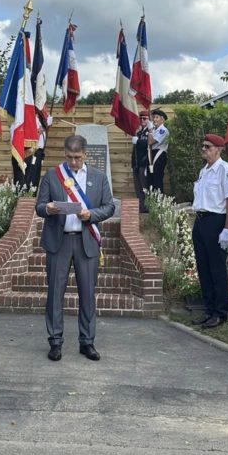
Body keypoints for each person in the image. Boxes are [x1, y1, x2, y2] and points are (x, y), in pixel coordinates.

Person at [35, 133, 115, 361]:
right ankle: (55, 341)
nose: (73, 162)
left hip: (86, 240)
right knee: (55, 293)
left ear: (86, 154)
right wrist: (48, 209)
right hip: (59, 241)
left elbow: (109, 207)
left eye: (78, 157)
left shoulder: (99, 177)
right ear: (64, 154)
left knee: (88, 294)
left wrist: (92, 214)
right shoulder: (52, 175)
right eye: (69, 157)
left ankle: (87, 341)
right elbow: (39, 206)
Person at [191, 133, 228, 328]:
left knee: (216, 269)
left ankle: (220, 312)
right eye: (203, 146)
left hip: (215, 221)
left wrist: (227, 229)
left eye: (207, 146)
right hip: (201, 220)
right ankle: (209, 309)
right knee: (203, 268)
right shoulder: (204, 171)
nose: (204, 149)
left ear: (218, 150)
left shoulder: (225, 170)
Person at [145, 108, 169, 195]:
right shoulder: (154, 130)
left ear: (162, 119)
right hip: (151, 154)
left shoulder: (163, 130)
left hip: (159, 155)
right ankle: (151, 204)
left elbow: (151, 142)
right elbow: (148, 142)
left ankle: (159, 205)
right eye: (154, 117)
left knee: (157, 180)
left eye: (157, 117)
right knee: (150, 181)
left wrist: (150, 130)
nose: (154, 119)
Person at [131, 110, 152, 212]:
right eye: (141, 118)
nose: (142, 120)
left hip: (145, 163)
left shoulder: (151, 131)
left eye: (145, 118)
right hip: (136, 163)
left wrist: (138, 141)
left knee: (145, 187)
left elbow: (149, 143)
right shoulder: (139, 132)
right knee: (138, 187)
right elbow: (134, 151)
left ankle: (147, 207)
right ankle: (141, 207)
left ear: (149, 119)